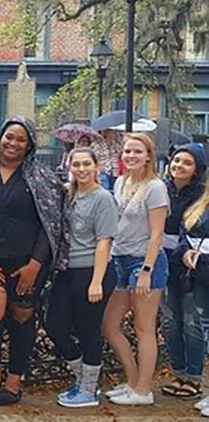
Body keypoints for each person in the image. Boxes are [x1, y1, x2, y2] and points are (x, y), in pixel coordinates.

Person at [0, 118, 65, 406]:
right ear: (0, 138)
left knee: (22, 316)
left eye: (20, 140)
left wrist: (36, 263)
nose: (13, 144)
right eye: (9, 137)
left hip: (27, 262)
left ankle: (14, 378)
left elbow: (51, 223)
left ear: (30, 145)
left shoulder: (42, 178)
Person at [46, 147, 118, 408]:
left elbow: (104, 242)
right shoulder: (69, 194)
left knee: (89, 331)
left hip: (91, 270)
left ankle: (88, 389)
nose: (82, 169)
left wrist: (96, 281)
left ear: (97, 166)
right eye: (76, 164)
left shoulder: (103, 199)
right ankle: (81, 378)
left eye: (87, 164)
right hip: (66, 270)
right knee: (55, 325)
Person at [102, 133, 169, 405]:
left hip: (144, 262)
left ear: (148, 156)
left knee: (143, 329)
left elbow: (157, 234)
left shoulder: (155, 187)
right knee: (109, 325)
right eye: (127, 151)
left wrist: (146, 269)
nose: (131, 156)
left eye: (137, 152)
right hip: (119, 258)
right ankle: (132, 380)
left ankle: (143, 390)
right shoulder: (120, 182)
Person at [161, 144, 208, 400]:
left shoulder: (202, 196)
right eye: (176, 160)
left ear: (197, 169)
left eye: (187, 163)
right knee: (169, 321)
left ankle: (194, 377)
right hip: (164, 261)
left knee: (192, 322)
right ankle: (177, 372)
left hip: (190, 268)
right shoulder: (162, 188)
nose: (179, 166)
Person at [178, 181, 209, 417]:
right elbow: (184, 235)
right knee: (206, 331)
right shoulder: (201, 205)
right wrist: (185, 253)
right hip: (200, 275)